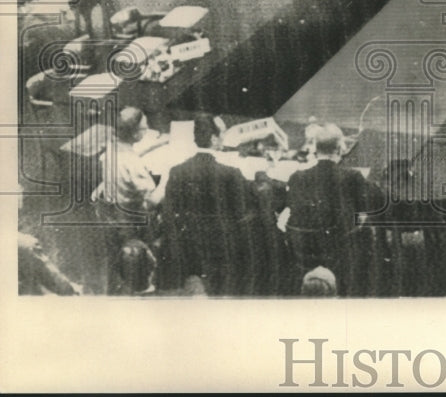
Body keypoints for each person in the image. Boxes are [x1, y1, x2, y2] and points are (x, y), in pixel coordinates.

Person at [157, 114, 258, 296]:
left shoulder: (177, 171)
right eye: (221, 135)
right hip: (221, 252)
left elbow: (169, 214)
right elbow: (242, 212)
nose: (223, 139)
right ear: (213, 139)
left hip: (187, 250)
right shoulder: (231, 173)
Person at [281, 123, 386, 290]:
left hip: (304, 255)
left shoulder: (296, 177)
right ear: (339, 150)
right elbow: (371, 207)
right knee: (367, 228)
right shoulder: (352, 176)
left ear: (316, 149)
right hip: (340, 256)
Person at [92, 107, 159, 213]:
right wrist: (169, 178)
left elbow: (127, 157)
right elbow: (150, 202)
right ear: (134, 133)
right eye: (144, 127)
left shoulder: (112, 148)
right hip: (133, 216)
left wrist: (156, 145)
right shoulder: (133, 164)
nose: (147, 128)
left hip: (113, 210)